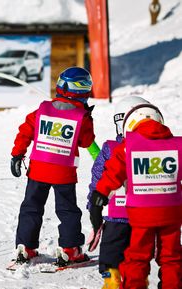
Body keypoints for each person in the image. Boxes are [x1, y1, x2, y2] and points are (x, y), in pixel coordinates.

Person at [90, 103, 182, 289]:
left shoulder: (128, 146)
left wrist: (99, 198)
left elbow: (111, 174)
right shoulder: (178, 145)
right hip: (171, 213)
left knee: (137, 257)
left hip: (141, 214)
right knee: (171, 256)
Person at [10, 67, 95, 266]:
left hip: (38, 170)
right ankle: (69, 248)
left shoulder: (43, 109)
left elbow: (25, 131)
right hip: (62, 172)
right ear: (82, 90)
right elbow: (86, 141)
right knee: (67, 210)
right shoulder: (81, 116)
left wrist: (17, 154)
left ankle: (26, 246)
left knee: (31, 207)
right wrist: (87, 117)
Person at [86, 96, 151, 289]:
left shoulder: (111, 148)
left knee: (111, 254)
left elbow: (97, 180)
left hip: (117, 218)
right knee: (138, 258)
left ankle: (112, 281)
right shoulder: (153, 148)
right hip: (144, 218)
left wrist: (93, 206)